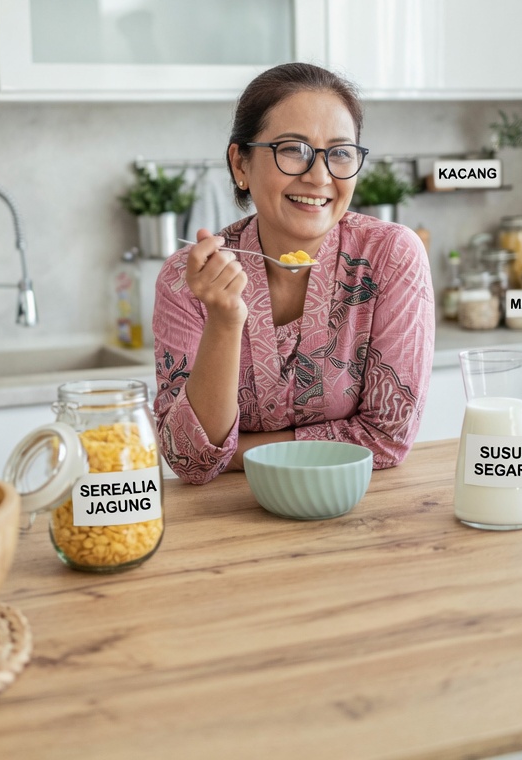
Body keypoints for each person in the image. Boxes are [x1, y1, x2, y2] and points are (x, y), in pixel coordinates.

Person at [152, 63, 435, 485]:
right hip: (225, 523)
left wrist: (236, 451)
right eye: (292, 149)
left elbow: (386, 438)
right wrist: (225, 322)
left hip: (357, 511)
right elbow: (190, 460)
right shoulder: (187, 278)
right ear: (240, 164)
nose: (319, 176)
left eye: (339, 152)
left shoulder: (391, 256)